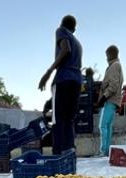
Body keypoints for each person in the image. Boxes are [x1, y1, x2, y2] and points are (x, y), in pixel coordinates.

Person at [38, 15, 82, 154]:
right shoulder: (78, 43)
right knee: (69, 119)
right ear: (74, 29)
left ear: (62, 24)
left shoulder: (61, 31)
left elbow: (65, 49)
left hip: (63, 79)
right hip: (76, 81)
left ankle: (57, 156)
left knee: (58, 120)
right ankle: (69, 154)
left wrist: (48, 72)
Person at [98, 45, 123, 155]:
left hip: (111, 100)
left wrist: (104, 97)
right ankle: (107, 151)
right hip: (113, 100)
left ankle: (104, 150)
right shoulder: (115, 65)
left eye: (107, 55)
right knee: (108, 126)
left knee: (103, 125)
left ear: (111, 54)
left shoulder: (114, 66)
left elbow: (113, 85)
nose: (106, 57)